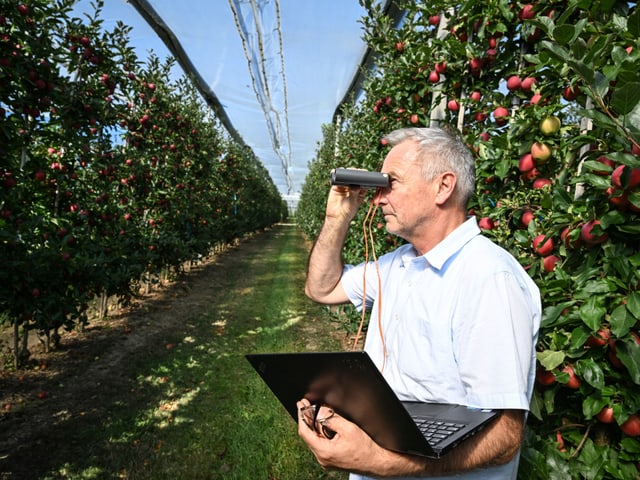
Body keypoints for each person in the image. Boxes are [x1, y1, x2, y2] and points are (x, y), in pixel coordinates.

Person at [299, 127, 541, 479]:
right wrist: (337, 219)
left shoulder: (488, 279)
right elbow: (321, 288)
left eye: (390, 182)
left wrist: (380, 462)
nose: (378, 198)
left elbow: (504, 438)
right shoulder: (397, 264)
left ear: (443, 186)